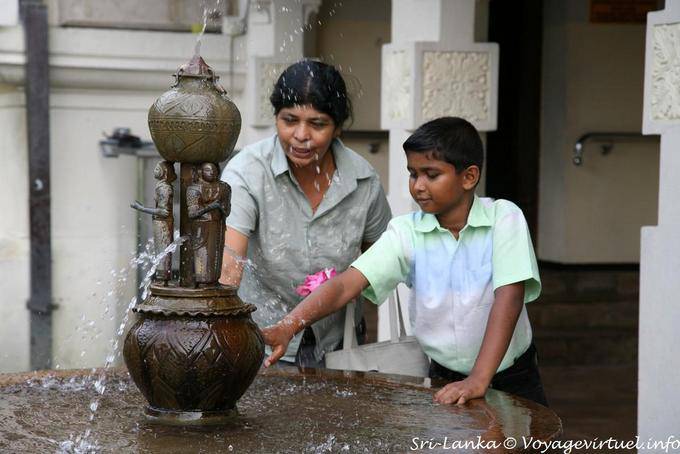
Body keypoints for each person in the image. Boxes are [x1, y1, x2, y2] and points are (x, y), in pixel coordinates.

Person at [262, 117, 548, 406]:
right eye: (413, 174)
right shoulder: (406, 232)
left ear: (469, 177)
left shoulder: (504, 218)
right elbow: (346, 284)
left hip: (513, 376)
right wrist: (288, 326)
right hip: (442, 376)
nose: (418, 186)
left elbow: (509, 298)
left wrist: (478, 379)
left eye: (431, 175)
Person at [220, 60, 392, 367]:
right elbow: (229, 262)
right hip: (260, 343)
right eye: (290, 120)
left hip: (340, 346)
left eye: (317, 123)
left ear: (338, 127)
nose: (301, 135)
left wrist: (334, 296)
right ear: (276, 118)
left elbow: (380, 262)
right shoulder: (247, 172)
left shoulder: (363, 182)